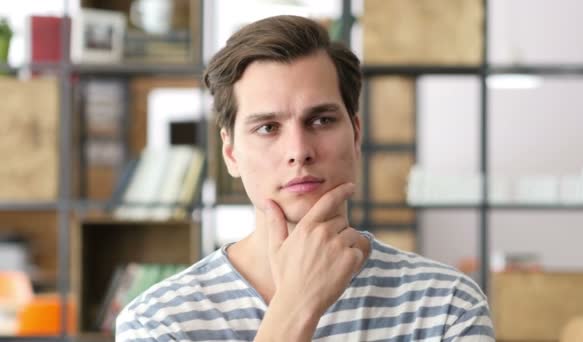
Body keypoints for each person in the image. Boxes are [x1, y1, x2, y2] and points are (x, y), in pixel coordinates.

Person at [116, 15, 495, 341]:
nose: (299, 150)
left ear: (357, 134)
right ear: (231, 153)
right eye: (267, 127)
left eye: (321, 120)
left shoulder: (447, 305)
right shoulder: (157, 322)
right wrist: (295, 307)